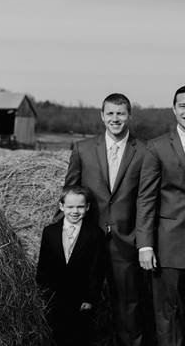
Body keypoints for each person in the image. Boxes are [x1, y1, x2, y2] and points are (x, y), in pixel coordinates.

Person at [64, 92, 148, 346]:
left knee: (128, 308)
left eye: (120, 113)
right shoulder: (83, 148)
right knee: (79, 304)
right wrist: (60, 235)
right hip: (88, 239)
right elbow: (70, 191)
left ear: (129, 116)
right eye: (110, 113)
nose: (115, 118)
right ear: (102, 116)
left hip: (126, 241)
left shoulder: (144, 151)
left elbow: (147, 199)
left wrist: (143, 241)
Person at [137, 85, 185, 346]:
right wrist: (145, 244)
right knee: (168, 313)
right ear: (174, 109)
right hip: (169, 244)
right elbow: (146, 198)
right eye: (183, 106)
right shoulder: (156, 147)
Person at [37, 186, 106, 346]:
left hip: (81, 300)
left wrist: (90, 298)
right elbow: (43, 266)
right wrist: (42, 294)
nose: (75, 211)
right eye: (70, 207)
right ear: (62, 206)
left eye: (80, 207)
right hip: (54, 298)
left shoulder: (96, 234)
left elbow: (97, 270)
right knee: (56, 337)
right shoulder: (49, 232)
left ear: (87, 207)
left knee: (80, 337)